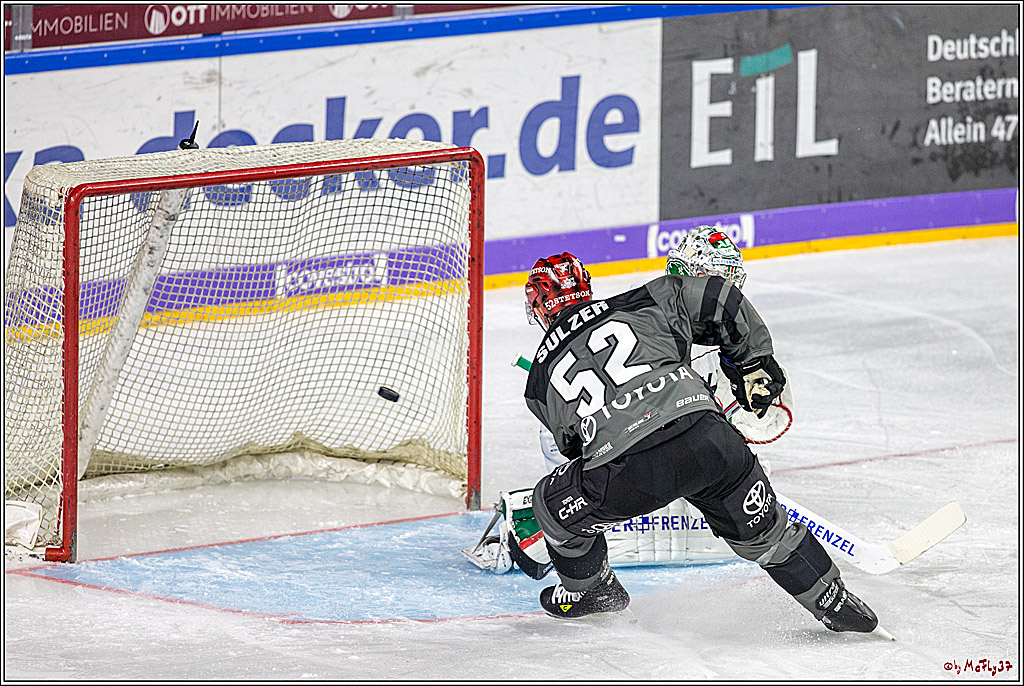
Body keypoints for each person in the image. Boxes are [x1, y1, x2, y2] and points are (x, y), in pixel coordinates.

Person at [520, 249, 880, 634]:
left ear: (538, 306)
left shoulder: (537, 381)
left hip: (627, 475)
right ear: (586, 286)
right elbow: (720, 298)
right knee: (767, 536)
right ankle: (832, 599)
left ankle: (594, 593)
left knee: (549, 506)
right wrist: (752, 362)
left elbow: (575, 448)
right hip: (709, 441)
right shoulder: (645, 299)